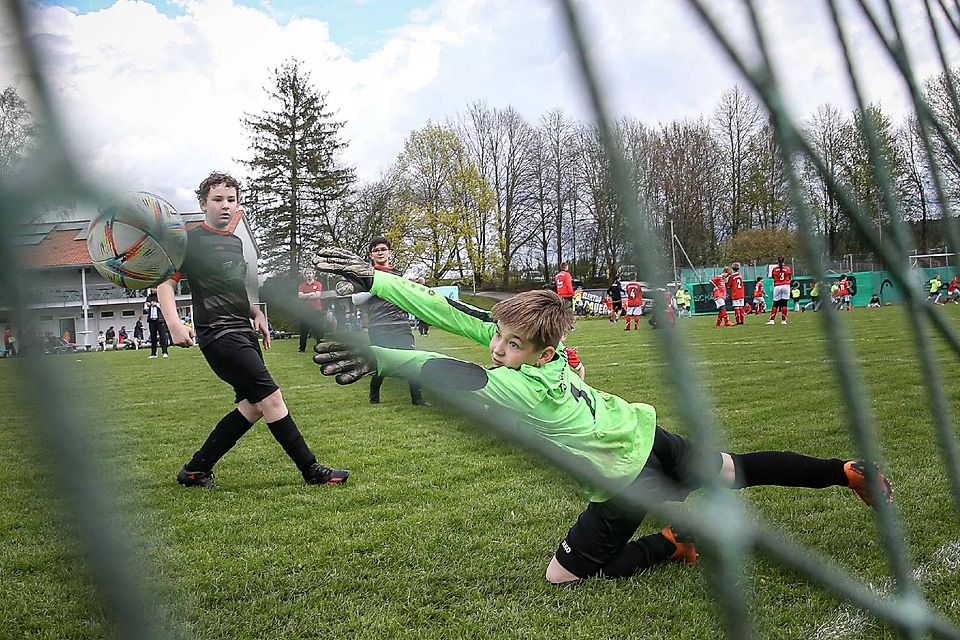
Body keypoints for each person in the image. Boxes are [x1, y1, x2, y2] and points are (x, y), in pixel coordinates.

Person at [310, 248, 894, 583]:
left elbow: (454, 372)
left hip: (622, 479)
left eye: (509, 345)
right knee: (730, 469)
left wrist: (379, 354)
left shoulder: (529, 389)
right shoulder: (549, 350)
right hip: (647, 435)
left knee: (561, 578)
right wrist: (382, 280)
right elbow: (453, 312)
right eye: (501, 338)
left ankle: (672, 543)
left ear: (537, 351)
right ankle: (845, 473)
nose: (497, 348)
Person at [158, 171, 348, 489]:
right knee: (272, 398)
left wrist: (256, 312)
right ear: (203, 204)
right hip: (219, 335)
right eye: (217, 199)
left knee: (254, 407)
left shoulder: (234, 242)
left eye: (231, 200)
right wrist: (175, 324)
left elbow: (234, 288)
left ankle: (195, 471)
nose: (225, 206)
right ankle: (311, 471)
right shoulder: (189, 241)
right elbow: (164, 284)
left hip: (242, 330)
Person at [354, 236, 429, 406]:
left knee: (412, 360)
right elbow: (356, 300)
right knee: (383, 363)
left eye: (383, 249)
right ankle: (374, 394)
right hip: (379, 325)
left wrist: (419, 289)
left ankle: (417, 399)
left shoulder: (398, 274)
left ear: (389, 252)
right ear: (371, 255)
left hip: (400, 324)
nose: (380, 252)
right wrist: (378, 287)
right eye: (376, 250)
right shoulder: (366, 275)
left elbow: (407, 297)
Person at [297, 267, 324, 353]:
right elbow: (300, 296)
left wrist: (306, 295)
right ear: (305, 275)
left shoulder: (318, 284)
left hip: (316, 311)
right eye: (307, 273)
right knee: (303, 331)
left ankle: (321, 347)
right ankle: (302, 349)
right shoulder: (302, 285)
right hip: (305, 312)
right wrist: (311, 293)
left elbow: (317, 296)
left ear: (313, 274)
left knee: (318, 330)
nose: (309, 275)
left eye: (310, 273)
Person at [767, 257, 792, 325]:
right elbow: (789, 276)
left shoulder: (775, 269)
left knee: (775, 304)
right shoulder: (787, 268)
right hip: (786, 285)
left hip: (777, 286)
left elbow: (773, 277)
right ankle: (783, 320)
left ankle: (772, 320)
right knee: (784, 303)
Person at [144, 292, 169, 358]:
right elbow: (145, 307)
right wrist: (148, 304)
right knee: (153, 337)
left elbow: (164, 306)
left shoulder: (161, 296)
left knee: (163, 336)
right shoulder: (149, 297)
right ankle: (153, 353)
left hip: (160, 320)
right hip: (152, 320)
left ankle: (165, 352)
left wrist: (156, 304)